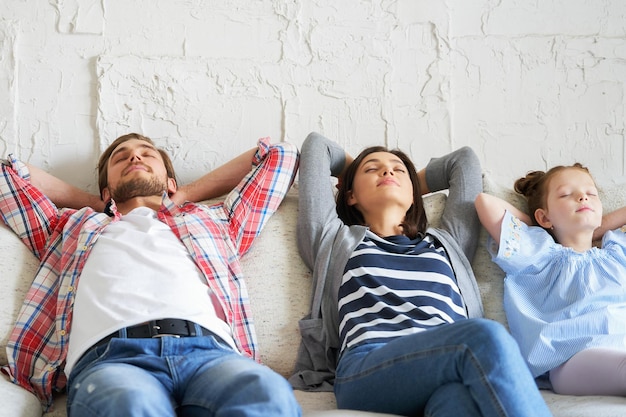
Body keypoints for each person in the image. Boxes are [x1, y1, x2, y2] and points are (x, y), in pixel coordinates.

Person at [0, 133, 301, 416]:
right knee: (131, 404)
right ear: (105, 189)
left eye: (147, 154)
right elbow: (5, 175)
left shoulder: (215, 221)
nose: (134, 158)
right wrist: (99, 203)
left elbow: (281, 155)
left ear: (169, 180)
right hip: (114, 359)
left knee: (267, 394)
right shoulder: (69, 227)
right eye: (122, 158)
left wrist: (181, 194)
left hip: (212, 354)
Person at [290, 132, 551, 416]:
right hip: (368, 368)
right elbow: (317, 146)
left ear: (415, 195)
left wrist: (404, 183)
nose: (388, 170)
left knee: (459, 402)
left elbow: (463, 161)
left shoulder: (447, 243)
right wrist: (357, 170)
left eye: (398, 169)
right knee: (486, 336)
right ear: (350, 195)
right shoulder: (333, 240)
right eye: (372, 168)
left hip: (448, 368)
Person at [475, 163, 626, 396]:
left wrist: (598, 229)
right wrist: (543, 228)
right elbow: (485, 202)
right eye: (567, 194)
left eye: (591, 193)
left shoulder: (617, 252)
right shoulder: (538, 253)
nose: (582, 198)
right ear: (544, 217)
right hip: (572, 360)